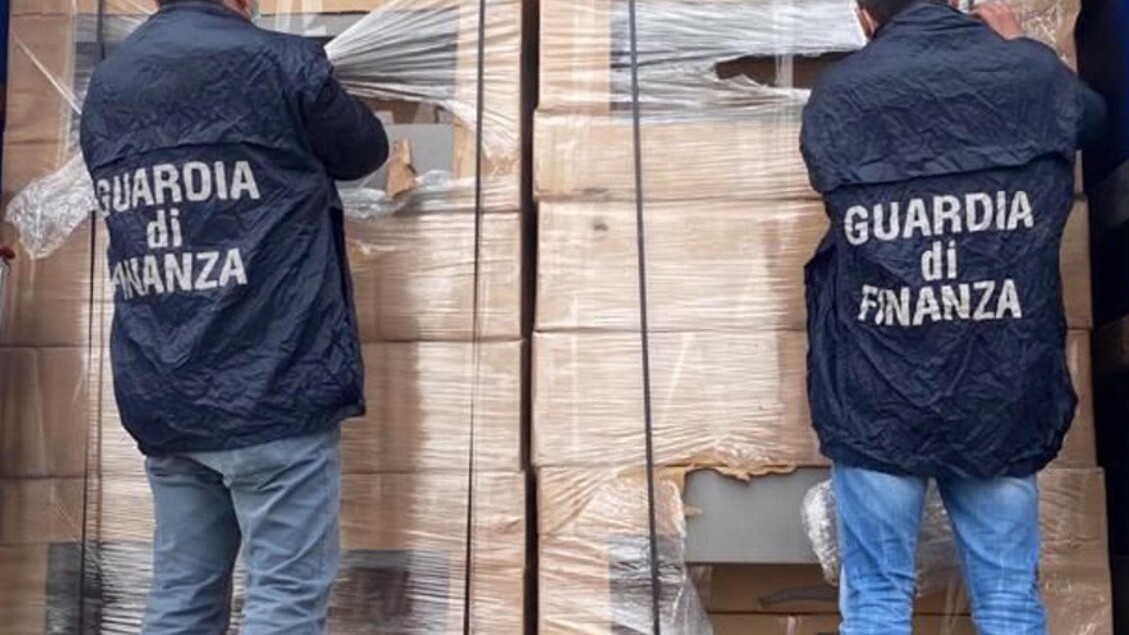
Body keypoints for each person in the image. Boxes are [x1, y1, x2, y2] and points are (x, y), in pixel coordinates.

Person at [79, 0, 389, 632]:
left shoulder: (108, 85)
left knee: (182, 598)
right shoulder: (283, 64)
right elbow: (364, 149)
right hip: (274, 387)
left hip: (164, 390)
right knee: (284, 599)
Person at [800, 1, 1105, 634]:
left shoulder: (840, 94)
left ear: (863, 15)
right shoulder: (1030, 76)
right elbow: (1093, 120)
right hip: (999, 381)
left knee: (878, 601)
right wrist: (1020, 48)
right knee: (1008, 598)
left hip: (878, 386)